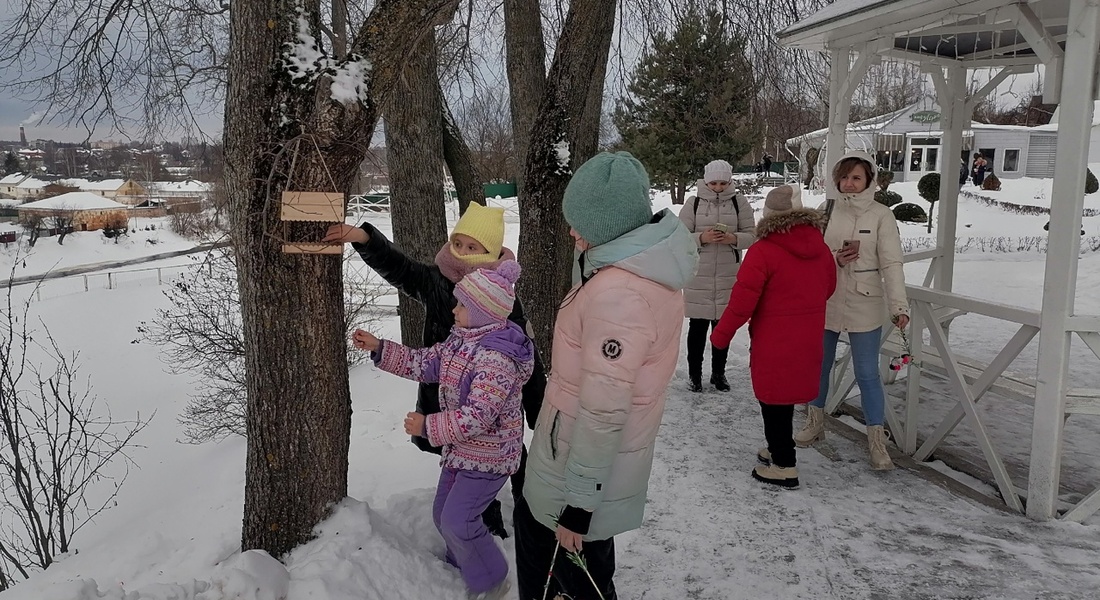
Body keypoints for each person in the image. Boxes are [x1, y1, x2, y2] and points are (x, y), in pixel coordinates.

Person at [515, 152, 698, 600]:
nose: (572, 231)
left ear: (610, 224)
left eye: (580, 222)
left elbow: (603, 409)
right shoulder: (635, 271)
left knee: (578, 574)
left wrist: (579, 504)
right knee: (573, 565)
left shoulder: (620, 295)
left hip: (574, 470)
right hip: (575, 458)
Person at [323, 202, 547, 538]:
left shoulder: (501, 297)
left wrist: (539, 412)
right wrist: (362, 238)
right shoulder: (437, 281)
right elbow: (401, 268)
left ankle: (527, 515)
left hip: (494, 405)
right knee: (464, 463)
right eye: (458, 243)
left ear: (493, 252)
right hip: (449, 397)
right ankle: (483, 524)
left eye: (473, 248)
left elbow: (524, 351)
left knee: (510, 455)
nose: (461, 252)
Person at [351, 260, 533, 599]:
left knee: (458, 521)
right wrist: (380, 348)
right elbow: (425, 363)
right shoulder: (461, 340)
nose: (455, 307)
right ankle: (461, 564)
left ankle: (492, 578)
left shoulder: (496, 358)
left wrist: (428, 425)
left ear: (483, 312)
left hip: (490, 456)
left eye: (463, 304)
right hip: (461, 450)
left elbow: (479, 415)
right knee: (442, 515)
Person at [710, 184, 836, 488]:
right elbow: (829, 287)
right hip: (807, 337)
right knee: (785, 396)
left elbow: (742, 302)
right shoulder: (820, 247)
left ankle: (784, 464)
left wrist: (720, 336)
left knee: (772, 398)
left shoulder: (763, 250)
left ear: (768, 215)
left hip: (774, 339)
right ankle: (777, 446)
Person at [794, 150, 909, 470]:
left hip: (866, 300)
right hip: (828, 298)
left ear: (869, 180)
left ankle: (876, 440)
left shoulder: (882, 215)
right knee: (819, 365)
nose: (849, 183)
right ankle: (815, 423)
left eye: (856, 177)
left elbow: (892, 263)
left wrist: (899, 305)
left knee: (867, 373)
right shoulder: (826, 209)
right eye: (844, 177)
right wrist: (834, 259)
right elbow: (809, 255)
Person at [679, 160, 756, 393]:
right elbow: (679, 237)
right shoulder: (692, 204)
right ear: (706, 181)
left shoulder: (739, 202)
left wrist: (733, 239)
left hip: (727, 275)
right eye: (714, 182)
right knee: (697, 328)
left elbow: (753, 235)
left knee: (723, 328)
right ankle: (694, 375)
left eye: (723, 182)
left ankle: (718, 374)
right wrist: (702, 238)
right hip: (699, 275)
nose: (718, 187)